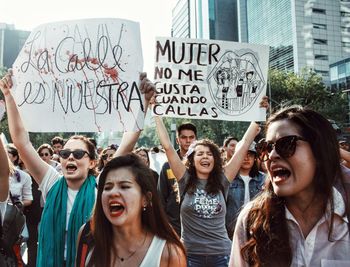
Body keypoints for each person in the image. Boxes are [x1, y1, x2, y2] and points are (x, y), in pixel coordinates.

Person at [0, 71, 155, 267]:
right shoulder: (52, 182)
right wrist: (8, 96)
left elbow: (127, 143)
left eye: (78, 154)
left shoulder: (102, 186)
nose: (70, 157)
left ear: (91, 162)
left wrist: (143, 101)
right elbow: (22, 143)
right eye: (65, 154)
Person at [229, 106, 350, 267]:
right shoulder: (253, 220)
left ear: (320, 151)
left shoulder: (345, 218)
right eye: (267, 147)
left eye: (286, 144)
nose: (272, 155)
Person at [155, 115, 260, 267]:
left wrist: (257, 116)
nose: (205, 157)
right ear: (192, 160)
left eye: (209, 154)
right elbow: (168, 147)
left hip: (222, 256)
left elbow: (243, 146)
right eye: (200, 154)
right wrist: (156, 113)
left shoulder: (223, 180)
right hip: (190, 256)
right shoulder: (184, 180)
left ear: (215, 159)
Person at [76, 154, 186, 267]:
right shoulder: (87, 236)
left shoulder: (168, 253)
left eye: (124, 186)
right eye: (107, 187)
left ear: (145, 199)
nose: (113, 193)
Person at [157, 122, 197, 236]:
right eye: (184, 137)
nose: (188, 141)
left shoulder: (203, 165)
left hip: (197, 226)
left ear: (196, 139)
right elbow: (160, 198)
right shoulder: (167, 166)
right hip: (173, 226)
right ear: (177, 140)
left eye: (191, 137)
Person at [225, 141, 265, 238]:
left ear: (255, 157)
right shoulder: (228, 179)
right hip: (231, 231)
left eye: (250, 155)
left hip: (256, 229)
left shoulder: (263, 179)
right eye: (243, 154)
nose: (246, 158)